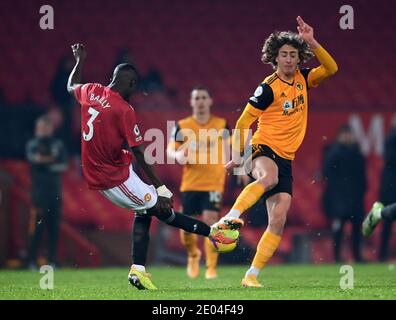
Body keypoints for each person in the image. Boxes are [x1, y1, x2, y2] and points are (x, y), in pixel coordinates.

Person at [66, 44, 237, 290]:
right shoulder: (124, 109)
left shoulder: (92, 90)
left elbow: (71, 86)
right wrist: (162, 186)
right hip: (111, 178)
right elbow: (139, 151)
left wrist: (80, 60)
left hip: (115, 167)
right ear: (133, 85)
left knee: (145, 211)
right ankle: (214, 234)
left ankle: (138, 270)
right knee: (160, 207)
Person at [212, 16, 338, 287]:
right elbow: (244, 121)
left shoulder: (305, 79)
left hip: (286, 159)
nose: (289, 59)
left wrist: (313, 42)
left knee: (278, 221)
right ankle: (230, 219)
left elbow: (332, 68)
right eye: (284, 55)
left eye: (293, 54)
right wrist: (238, 155)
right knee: (267, 178)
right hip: (263, 147)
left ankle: (251, 276)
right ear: (275, 58)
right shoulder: (268, 88)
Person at [167, 86, 228, 280]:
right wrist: (177, 155)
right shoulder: (182, 125)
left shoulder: (222, 124)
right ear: (191, 102)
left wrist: (242, 168)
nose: (200, 101)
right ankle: (193, 254)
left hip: (214, 183)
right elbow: (169, 150)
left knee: (211, 222)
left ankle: (211, 267)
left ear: (210, 101)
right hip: (191, 183)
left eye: (204, 97)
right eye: (197, 98)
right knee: (187, 226)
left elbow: (233, 148)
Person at [26, 115, 68, 268]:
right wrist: (51, 160)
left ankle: (51, 261)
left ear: (51, 128)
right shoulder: (32, 144)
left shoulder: (58, 144)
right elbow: (33, 160)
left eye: (46, 127)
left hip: (55, 194)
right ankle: (31, 261)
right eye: (41, 127)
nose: (43, 130)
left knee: (53, 229)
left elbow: (63, 165)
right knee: (36, 228)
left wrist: (44, 162)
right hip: (39, 194)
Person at [322, 124, 366, 263]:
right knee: (338, 228)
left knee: (356, 228)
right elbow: (327, 173)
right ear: (340, 136)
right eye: (345, 134)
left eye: (349, 134)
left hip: (355, 197)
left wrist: (361, 191)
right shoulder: (333, 152)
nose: (347, 137)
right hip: (339, 197)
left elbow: (362, 175)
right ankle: (336, 257)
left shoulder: (356, 152)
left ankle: (357, 256)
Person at [364, 114, 396, 260]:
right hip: (391, 186)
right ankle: (378, 214)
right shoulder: (391, 138)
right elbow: (390, 160)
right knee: (388, 223)